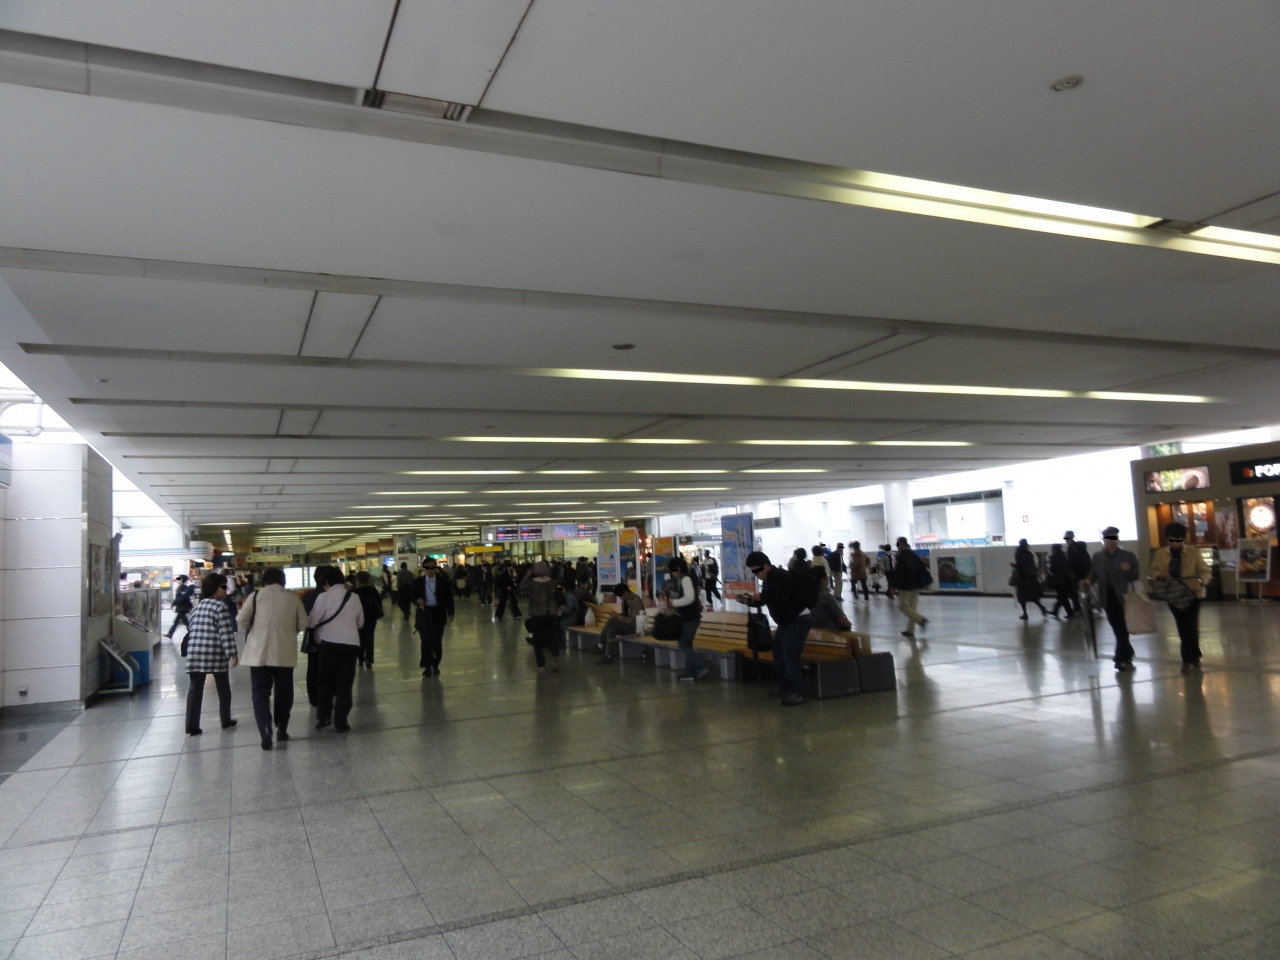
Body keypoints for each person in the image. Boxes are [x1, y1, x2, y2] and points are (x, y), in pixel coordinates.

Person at [237, 567, 307, 750]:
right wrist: (289, 632)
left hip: (258, 654)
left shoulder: (256, 596)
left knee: (260, 693)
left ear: (264, 581)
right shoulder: (292, 598)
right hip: (284, 653)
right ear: (283, 581)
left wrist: (255, 629)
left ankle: (265, 730)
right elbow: (303, 623)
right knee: (284, 692)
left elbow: (241, 620)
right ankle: (282, 728)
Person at [739, 551, 813, 706]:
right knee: (779, 654)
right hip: (787, 622)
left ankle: (797, 692)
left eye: (756, 570)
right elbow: (769, 599)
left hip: (798, 619)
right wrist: (750, 600)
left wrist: (762, 596)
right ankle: (785, 687)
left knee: (789, 655)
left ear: (765, 565)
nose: (756, 574)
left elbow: (781, 596)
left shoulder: (780, 575)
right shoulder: (769, 579)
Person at [1150, 521, 1211, 672]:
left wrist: (1200, 581)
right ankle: (1195, 656)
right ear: (1167, 539)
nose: (1176, 543)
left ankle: (1187, 660)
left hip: (1192, 594)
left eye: (1179, 540)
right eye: (1172, 540)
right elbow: (1153, 570)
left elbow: (1205, 571)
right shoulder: (1160, 554)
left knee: (1190, 625)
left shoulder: (1193, 552)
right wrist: (1159, 575)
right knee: (1182, 625)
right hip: (1173, 594)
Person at [309, 566, 364, 731]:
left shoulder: (323, 597)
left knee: (325, 681)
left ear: (326, 582)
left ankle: (324, 717)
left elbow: (312, 621)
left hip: (329, 644)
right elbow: (360, 622)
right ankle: (341, 721)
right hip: (351, 645)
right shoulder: (354, 597)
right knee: (345, 683)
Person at [183, 573, 239, 736]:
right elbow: (226, 633)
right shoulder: (220, 607)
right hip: (214, 653)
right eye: (223, 586)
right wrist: (233, 653)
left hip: (195, 652)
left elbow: (191, 628)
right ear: (215, 588)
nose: (226, 589)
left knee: (195, 689)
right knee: (223, 687)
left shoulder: (197, 607)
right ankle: (225, 719)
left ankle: (191, 725)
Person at [1081, 526, 1141, 671]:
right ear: (1104, 540)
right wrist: (1089, 580)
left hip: (1125, 597)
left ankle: (1119, 658)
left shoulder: (1128, 556)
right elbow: (1093, 573)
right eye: (1108, 538)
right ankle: (1128, 654)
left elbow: (1136, 576)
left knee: (1122, 628)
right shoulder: (1098, 557)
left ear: (1117, 539)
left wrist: (1130, 570)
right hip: (1107, 597)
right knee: (1117, 628)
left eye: (1114, 538)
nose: (1111, 541)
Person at [666, 557, 708, 681]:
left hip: (690, 617)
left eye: (673, 570)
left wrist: (673, 602)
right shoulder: (691, 577)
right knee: (687, 644)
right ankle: (690, 672)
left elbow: (689, 598)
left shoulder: (686, 579)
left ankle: (701, 666)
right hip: (692, 616)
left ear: (678, 569)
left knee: (683, 644)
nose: (672, 573)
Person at [414, 558, 455, 676]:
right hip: (425, 614)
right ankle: (427, 666)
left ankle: (435, 664)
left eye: (432, 567)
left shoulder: (442, 581)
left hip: (438, 613)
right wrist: (417, 600)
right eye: (428, 567)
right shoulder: (418, 582)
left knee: (437, 640)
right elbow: (412, 596)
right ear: (424, 568)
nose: (430, 570)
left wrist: (451, 612)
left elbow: (449, 597)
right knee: (426, 640)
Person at [522, 561, 561, 671]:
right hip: (550, 613)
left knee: (537, 640)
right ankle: (555, 657)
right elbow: (558, 584)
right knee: (552, 638)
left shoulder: (532, 583)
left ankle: (541, 664)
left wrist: (527, 575)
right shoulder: (551, 582)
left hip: (536, 614)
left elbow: (522, 587)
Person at [596, 582, 646, 664]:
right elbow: (624, 615)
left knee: (611, 621)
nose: (620, 598)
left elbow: (633, 621)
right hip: (626, 626)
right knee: (611, 629)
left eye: (620, 595)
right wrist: (617, 615)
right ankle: (608, 655)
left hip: (634, 628)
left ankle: (600, 644)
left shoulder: (636, 601)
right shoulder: (625, 600)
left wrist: (618, 617)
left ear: (626, 592)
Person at [889, 537, 929, 637]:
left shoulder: (902, 557)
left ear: (902, 544)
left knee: (902, 606)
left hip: (906, 586)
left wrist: (893, 587)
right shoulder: (913, 555)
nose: (897, 547)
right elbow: (921, 568)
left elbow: (899, 573)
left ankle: (921, 620)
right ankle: (910, 630)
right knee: (912, 608)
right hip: (915, 585)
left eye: (898, 544)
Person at [353, 570, 384, 667]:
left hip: (357, 618)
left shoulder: (354, 592)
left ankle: (360, 658)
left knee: (360, 637)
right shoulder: (372, 590)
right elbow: (379, 602)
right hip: (371, 617)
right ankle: (369, 659)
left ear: (358, 580)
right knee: (370, 638)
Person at [1013, 539, 1049, 620]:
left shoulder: (1019, 553)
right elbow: (1032, 565)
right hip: (1031, 578)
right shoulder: (1029, 553)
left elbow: (1019, 566)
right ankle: (1041, 607)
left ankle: (1025, 613)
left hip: (1023, 578)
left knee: (1022, 597)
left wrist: (1014, 566)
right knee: (1033, 596)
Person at [809, 567, 851, 631]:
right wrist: (848, 624)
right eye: (827, 575)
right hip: (828, 632)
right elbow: (842, 620)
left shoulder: (805, 595)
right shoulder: (826, 597)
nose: (828, 577)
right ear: (822, 580)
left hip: (811, 631)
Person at [1065, 531, 1091, 617]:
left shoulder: (1073, 548)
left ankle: (1078, 608)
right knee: (1080, 592)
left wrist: (1072, 572)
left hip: (1076, 574)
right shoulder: (1078, 547)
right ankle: (1081, 607)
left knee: (1075, 592)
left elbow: (1073, 561)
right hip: (1081, 574)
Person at [1047, 544, 1073, 619]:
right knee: (1062, 596)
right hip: (1066, 580)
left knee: (1062, 597)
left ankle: (1068, 612)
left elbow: (1052, 569)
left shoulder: (1054, 558)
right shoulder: (1063, 557)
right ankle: (1056, 611)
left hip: (1059, 580)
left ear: (1054, 550)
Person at [167, 575, 195, 639]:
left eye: (178, 579)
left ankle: (191, 632)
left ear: (182, 579)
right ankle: (170, 633)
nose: (177, 580)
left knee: (184, 622)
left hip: (182, 607)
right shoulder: (184, 587)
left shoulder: (182, 587)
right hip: (182, 607)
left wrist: (174, 603)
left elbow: (181, 598)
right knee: (177, 621)